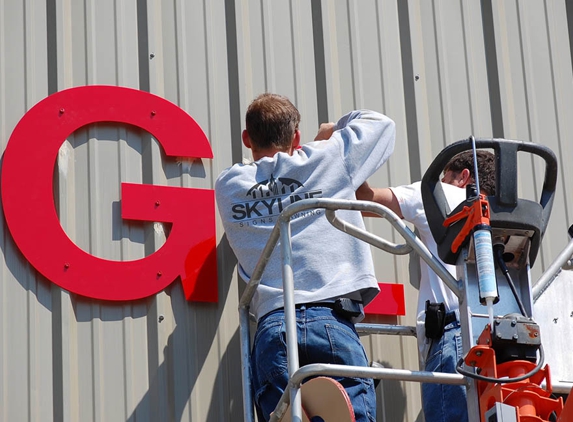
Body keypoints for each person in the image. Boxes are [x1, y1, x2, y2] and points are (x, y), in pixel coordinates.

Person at [215, 93, 396, 422]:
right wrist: (333, 131)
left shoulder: (228, 185)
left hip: (272, 328)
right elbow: (382, 126)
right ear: (296, 137)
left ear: (246, 138)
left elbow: (278, 187)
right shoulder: (326, 157)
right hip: (331, 320)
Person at [356, 149, 495, 422]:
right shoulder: (506, 215)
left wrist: (343, 152)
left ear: (463, 177)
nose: (442, 181)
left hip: (457, 341)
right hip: (504, 349)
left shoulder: (440, 195)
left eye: (447, 176)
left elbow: (365, 199)